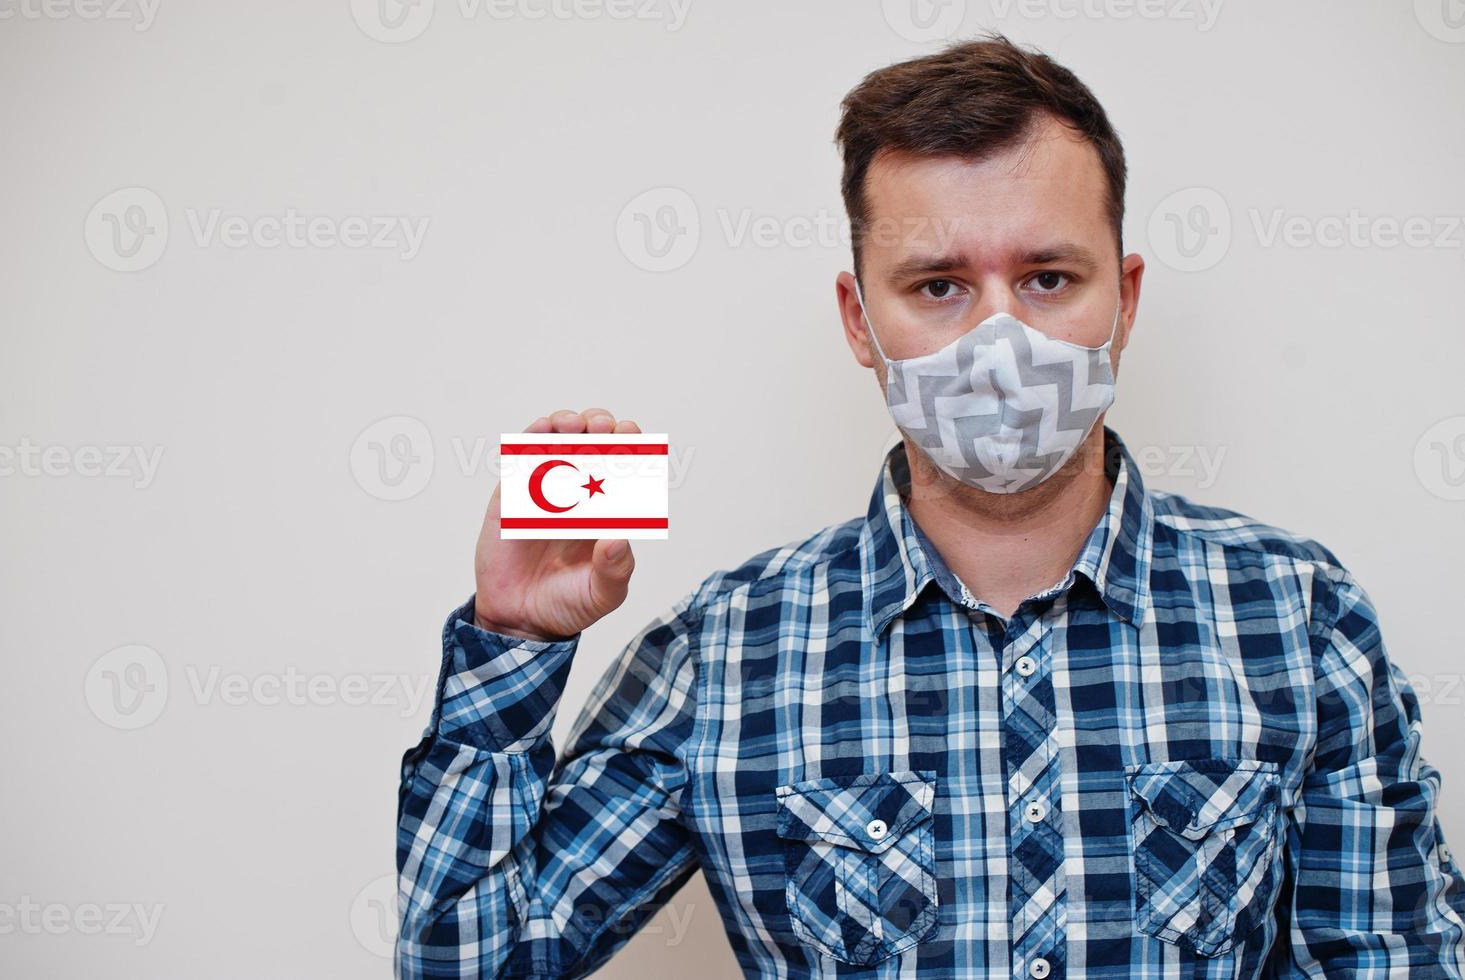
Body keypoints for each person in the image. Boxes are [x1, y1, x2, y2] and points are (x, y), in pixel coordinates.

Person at [394, 35, 1465, 978]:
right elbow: (467, 959)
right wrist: (514, 643)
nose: (1000, 339)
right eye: (939, 285)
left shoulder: (1297, 614)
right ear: (860, 320)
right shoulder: (726, 651)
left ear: (1124, 299)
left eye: (1048, 277)